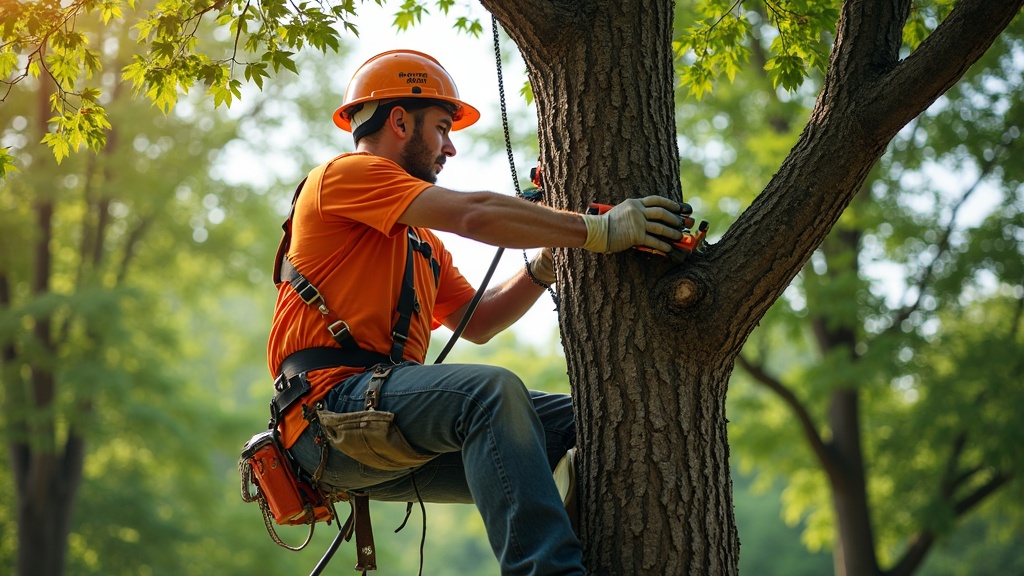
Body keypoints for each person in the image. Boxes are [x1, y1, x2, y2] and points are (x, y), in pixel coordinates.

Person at [267, 49, 685, 575]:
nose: (451, 147)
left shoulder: (419, 242)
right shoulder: (345, 176)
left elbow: (479, 321)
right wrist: (595, 230)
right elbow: (473, 214)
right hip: (327, 414)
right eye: (442, 128)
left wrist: (548, 262)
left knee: (596, 422)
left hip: (380, 419)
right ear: (399, 121)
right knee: (490, 393)